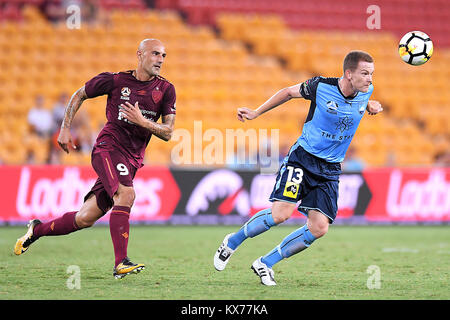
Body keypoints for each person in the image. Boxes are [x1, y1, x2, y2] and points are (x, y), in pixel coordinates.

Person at [214, 51, 383, 286]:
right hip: (303, 159)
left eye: (372, 74)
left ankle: (265, 263)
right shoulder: (321, 86)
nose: (370, 79)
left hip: (330, 168)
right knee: (279, 215)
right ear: (348, 73)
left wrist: (371, 106)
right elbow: (287, 92)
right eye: (365, 73)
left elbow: (357, 105)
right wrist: (256, 112)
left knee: (319, 228)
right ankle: (232, 241)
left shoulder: (367, 92)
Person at [14, 39, 176, 279]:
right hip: (108, 148)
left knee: (84, 218)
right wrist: (65, 128)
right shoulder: (116, 81)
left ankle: (35, 230)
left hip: (132, 160)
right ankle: (120, 263)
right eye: (155, 54)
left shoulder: (166, 89)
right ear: (139, 54)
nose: (160, 60)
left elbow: (169, 132)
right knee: (127, 194)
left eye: (163, 55)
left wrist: (143, 122)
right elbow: (79, 94)